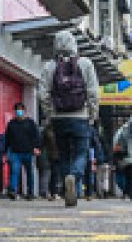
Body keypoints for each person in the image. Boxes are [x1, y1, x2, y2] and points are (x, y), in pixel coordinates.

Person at [40, 30, 100, 208]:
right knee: (81, 152)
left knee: (64, 154)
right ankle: (74, 176)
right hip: (80, 117)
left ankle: (67, 185)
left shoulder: (49, 66)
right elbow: (93, 92)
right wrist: (92, 115)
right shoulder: (85, 64)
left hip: (59, 118)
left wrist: (50, 114)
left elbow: (43, 94)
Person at [0, 103, 41, 199]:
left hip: (28, 152)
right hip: (15, 152)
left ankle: (30, 192)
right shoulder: (11, 124)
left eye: (21, 110)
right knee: (14, 171)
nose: (19, 112)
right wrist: (5, 152)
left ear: (24, 111)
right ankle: (13, 191)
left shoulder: (30, 123)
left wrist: (37, 147)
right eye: (17, 110)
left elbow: (36, 136)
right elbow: (7, 139)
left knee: (29, 173)